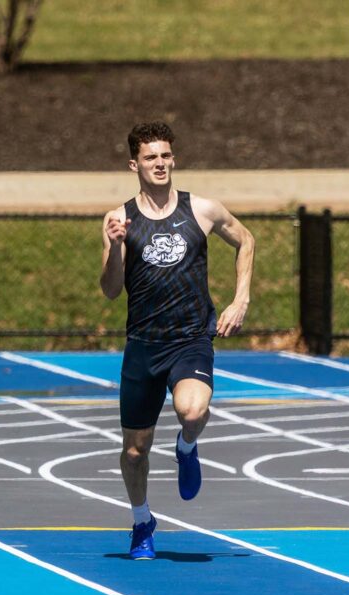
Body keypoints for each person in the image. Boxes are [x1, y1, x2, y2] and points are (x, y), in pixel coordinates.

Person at [100, 122, 255, 559]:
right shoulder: (119, 218)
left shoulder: (202, 210)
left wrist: (239, 299)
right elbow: (111, 290)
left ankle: (187, 447)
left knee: (193, 409)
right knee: (134, 451)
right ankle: (142, 521)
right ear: (135, 164)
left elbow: (246, 240)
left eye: (166, 155)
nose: (161, 164)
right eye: (151, 157)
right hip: (144, 345)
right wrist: (114, 248)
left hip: (191, 339)